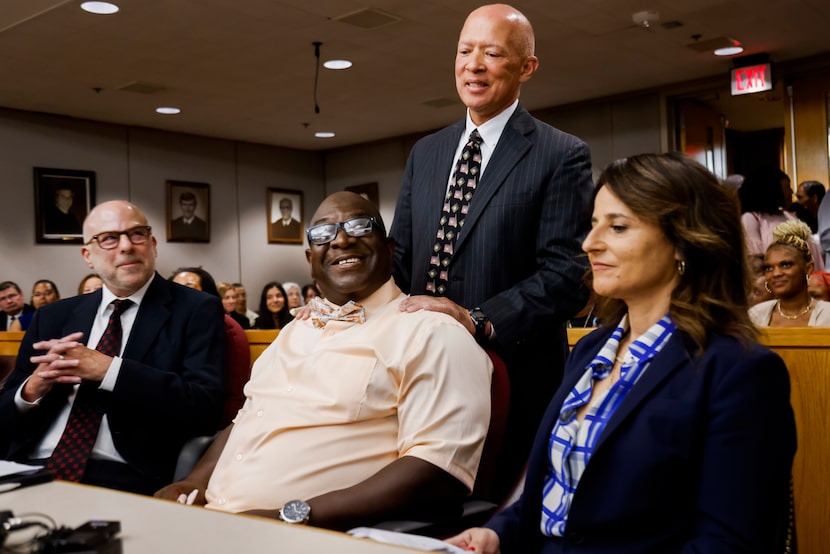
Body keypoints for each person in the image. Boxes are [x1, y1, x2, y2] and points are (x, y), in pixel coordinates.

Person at [448, 153, 796, 553]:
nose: (589, 243)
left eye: (617, 227)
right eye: (594, 224)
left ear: (684, 241)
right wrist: (496, 533)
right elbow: (561, 487)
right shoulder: (591, 348)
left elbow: (727, 542)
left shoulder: (739, 372)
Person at [155, 191, 492, 530]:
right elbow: (249, 417)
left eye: (359, 226)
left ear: (389, 248)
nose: (341, 240)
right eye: (323, 233)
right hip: (212, 521)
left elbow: (438, 470)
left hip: (313, 534)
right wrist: (193, 481)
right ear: (310, 258)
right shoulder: (295, 330)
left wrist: (290, 517)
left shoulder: (432, 332)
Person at [389, 3, 593, 499]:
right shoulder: (426, 152)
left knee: (493, 513)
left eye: (493, 53)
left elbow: (567, 275)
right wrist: (342, 302)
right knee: (416, 507)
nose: (473, 65)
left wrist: (476, 319)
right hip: (418, 374)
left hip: (512, 375)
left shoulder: (561, 153)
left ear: (527, 67)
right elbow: (400, 258)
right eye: (465, 51)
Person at [0, 201, 227, 495]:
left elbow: (205, 407)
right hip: (27, 466)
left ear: (153, 245)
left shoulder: (196, 309)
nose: (126, 246)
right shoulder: (53, 316)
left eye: (137, 234)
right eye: (109, 238)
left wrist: (110, 371)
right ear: (88, 256)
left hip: (122, 472)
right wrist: (31, 390)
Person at [739, 167, 824, 273]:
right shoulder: (751, 218)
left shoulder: (788, 215)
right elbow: (754, 260)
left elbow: (811, 248)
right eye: (787, 188)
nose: (791, 192)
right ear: (774, 190)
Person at [749, 220, 830, 326]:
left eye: (786, 265)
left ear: (808, 268)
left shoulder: (827, 315)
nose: (776, 273)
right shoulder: (755, 316)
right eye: (769, 268)